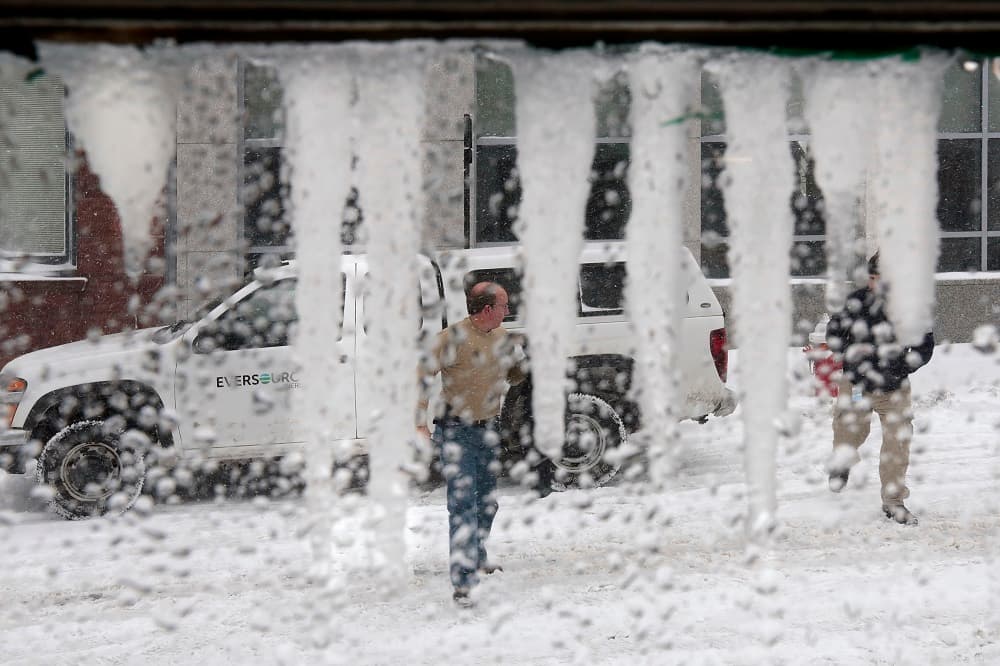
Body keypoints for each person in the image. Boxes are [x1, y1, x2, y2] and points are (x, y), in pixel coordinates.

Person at [416, 281, 527, 607]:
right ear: (488, 309)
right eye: (504, 305)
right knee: (463, 507)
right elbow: (421, 375)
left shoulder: (503, 337)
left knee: (487, 503)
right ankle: (463, 582)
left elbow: (515, 377)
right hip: (456, 433)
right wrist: (419, 422)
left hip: (488, 429)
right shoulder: (451, 339)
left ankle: (476, 556)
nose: (508, 311)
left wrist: (522, 360)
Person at [825, 251, 934, 525]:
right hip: (858, 384)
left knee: (898, 444)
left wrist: (902, 368)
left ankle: (894, 502)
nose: (874, 284)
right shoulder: (855, 302)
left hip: (894, 388)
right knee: (849, 430)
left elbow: (923, 347)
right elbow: (834, 335)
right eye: (871, 278)